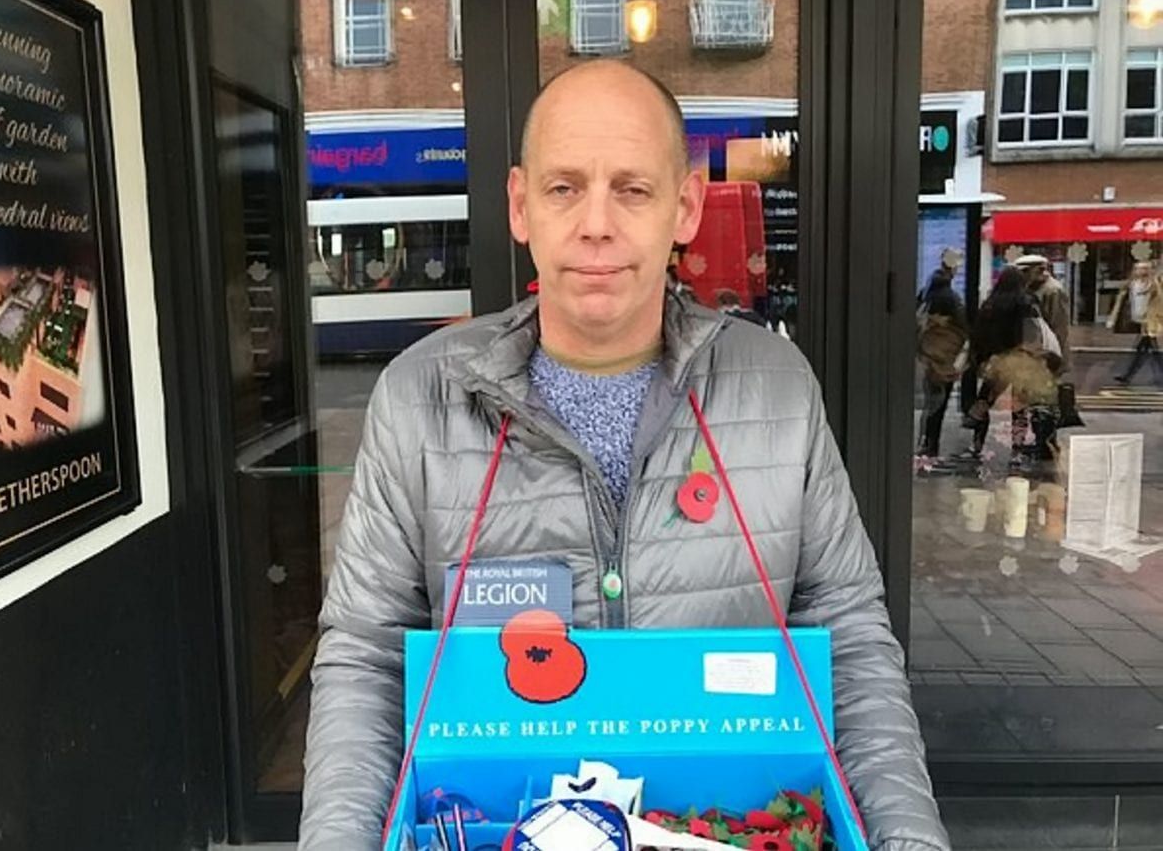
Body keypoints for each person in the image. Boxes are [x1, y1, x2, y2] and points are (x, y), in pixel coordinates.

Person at [298, 60, 949, 851]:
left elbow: (849, 639)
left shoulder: (776, 388)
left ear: (684, 207)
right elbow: (366, 658)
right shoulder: (418, 398)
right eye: (564, 187)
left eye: (632, 189)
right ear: (519, 206)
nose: (596, 223)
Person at [962, 266, 1059, 464]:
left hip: (996, 361)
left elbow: (979, 333)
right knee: (1019, 408)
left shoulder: (991, 303)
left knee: (984, 402)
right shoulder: (1026, 301)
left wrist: (981, 358)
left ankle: (977, 444)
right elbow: (1033, 332)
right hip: (1019, 360)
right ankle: (1017, 449)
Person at [1013, 253, 1080, 436]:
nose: (1023, 276)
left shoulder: (1052, 290)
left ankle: (1045, 443)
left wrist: (1055, 360)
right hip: (1030, 354)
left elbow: (1059, 328)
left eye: (1027, 271)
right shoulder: (1028, 288)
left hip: (1046, 355)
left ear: (1040, 270)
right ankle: (1027, 440)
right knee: (1027, 400)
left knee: (1044, 401)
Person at [916, 270, 968, 458]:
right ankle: (930, 443)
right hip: (947, 362)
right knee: (937, 405)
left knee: (932, 405)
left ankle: (928, 443)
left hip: (930, 360)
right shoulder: (954, 302)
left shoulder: (926, 300)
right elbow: (965, 333)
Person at [1108, 258, 1163, 385]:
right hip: (1139, 319)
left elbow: (1159, 299)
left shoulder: (1154, 284)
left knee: (1145, 349)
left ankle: (1127, 376)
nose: (1140, 271)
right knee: (1147, 350)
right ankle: (1128, 376)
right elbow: (1120, 300)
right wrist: (1113, 317)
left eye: (1144, 268)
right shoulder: (1131, 284)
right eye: (1138, 268)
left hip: (1149, 322)